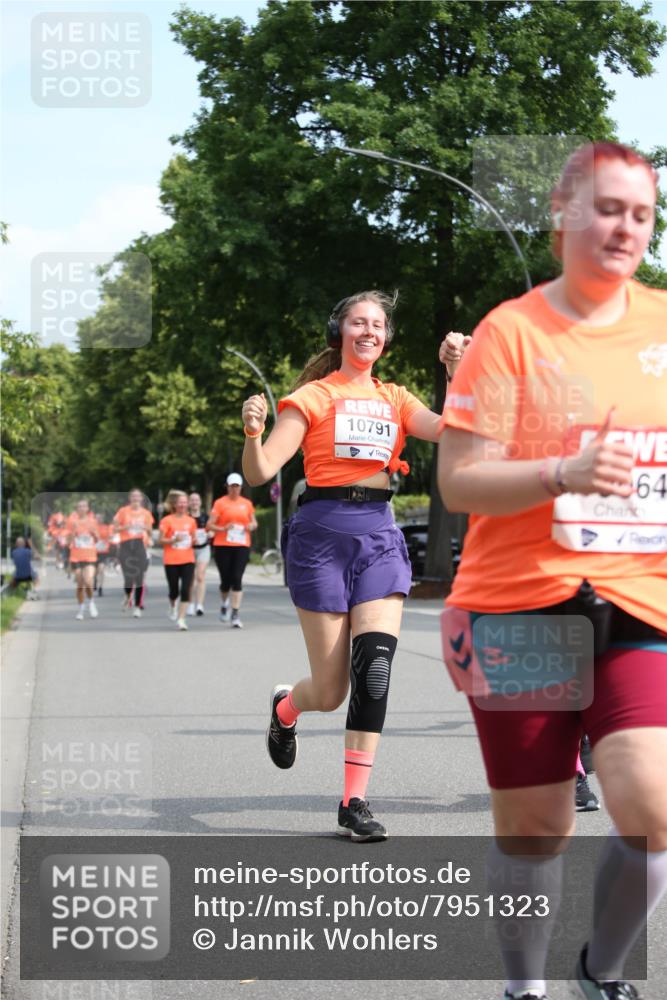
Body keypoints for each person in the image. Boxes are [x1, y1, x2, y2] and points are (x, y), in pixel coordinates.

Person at [438, 142, 666, 1000]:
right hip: (521, 603)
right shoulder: (510, 333)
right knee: (535, 828)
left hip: (642, 598)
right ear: (562, 212)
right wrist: (557, 473)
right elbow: (458, 480)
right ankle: (522, 988)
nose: (625, 228)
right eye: (608, 208)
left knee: (652, 807)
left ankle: (597, 974)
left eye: (641, 214)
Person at [242, 290, 468, 840]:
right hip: (320, 539)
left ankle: (353, 802)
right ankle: (287, 708)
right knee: (330, 690)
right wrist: (251, 433)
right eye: (358, 323)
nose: (369, 331)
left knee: (376, 669)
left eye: (378, 325)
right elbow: (261, 470)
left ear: (386, 338)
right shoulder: (311, 397)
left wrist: (458, 371)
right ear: (339, 331)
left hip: (379, 538)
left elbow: (452, 428)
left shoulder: (395, 397)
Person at [207, 473, 257, 629]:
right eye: (232, 486)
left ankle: (235, 613)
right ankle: (224, 603)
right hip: (223, 544)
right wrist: (223, 528)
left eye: (237, 486)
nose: (234, 489)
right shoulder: (220, 503)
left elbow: (254, 522)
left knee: (237, 578)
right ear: (227, 487)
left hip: (242, 544)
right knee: (225, 581)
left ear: (241, 487)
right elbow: (210, 525)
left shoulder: (247, 504)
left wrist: (251, 526)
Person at [159, 490, 197, 631]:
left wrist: (195, 540)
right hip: (171, 560)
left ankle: (181, 619)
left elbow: (193, 539)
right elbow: (161, 540)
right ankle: (172, 604)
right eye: (180, 502)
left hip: (188, 559)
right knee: (174, 591)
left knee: (185, 589)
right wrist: (173, 539)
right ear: (174, 504)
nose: (183, 504)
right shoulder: (167, 520)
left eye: (185, 502)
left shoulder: (191, 521)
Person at [113, 489, 154, 618]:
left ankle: (137, 606)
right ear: (130, 498)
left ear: (141, 499)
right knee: (128, 578)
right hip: (126, 545)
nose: (136, 498)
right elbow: (115, 529)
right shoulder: (123, 511)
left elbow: (151, 531)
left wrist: (146, 529)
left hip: (139, 544)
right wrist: (125, 527)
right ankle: (127, 595)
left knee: (139, 576)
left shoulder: (146, 513)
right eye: (133, 496)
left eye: (138, 496)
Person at [65, 500, 100, 620]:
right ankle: (81, 608)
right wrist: (73, 532)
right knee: (80, 585)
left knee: (88, 581)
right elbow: (67, 542)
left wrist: (94, 533)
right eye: (79, 506)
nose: (81, 508)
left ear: (87, 509)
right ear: (76, 509)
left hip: (90, 556)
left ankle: (91, 602)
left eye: (84, 506)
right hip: (76, 556)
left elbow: (97, 539)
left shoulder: (93, 521)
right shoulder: (72, 522)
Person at [187, 492, 211, 616]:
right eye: (192, 500)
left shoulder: (206, 517)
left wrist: (211, 534)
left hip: (203, 549)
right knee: (190, 578)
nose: (195, 502)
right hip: (189, 550)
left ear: (200, 502)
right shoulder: (185, 517)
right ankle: (190, 604)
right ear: (189, 503)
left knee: (200, 576)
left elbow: (212, 530)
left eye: (197, 500)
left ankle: (200, 605)